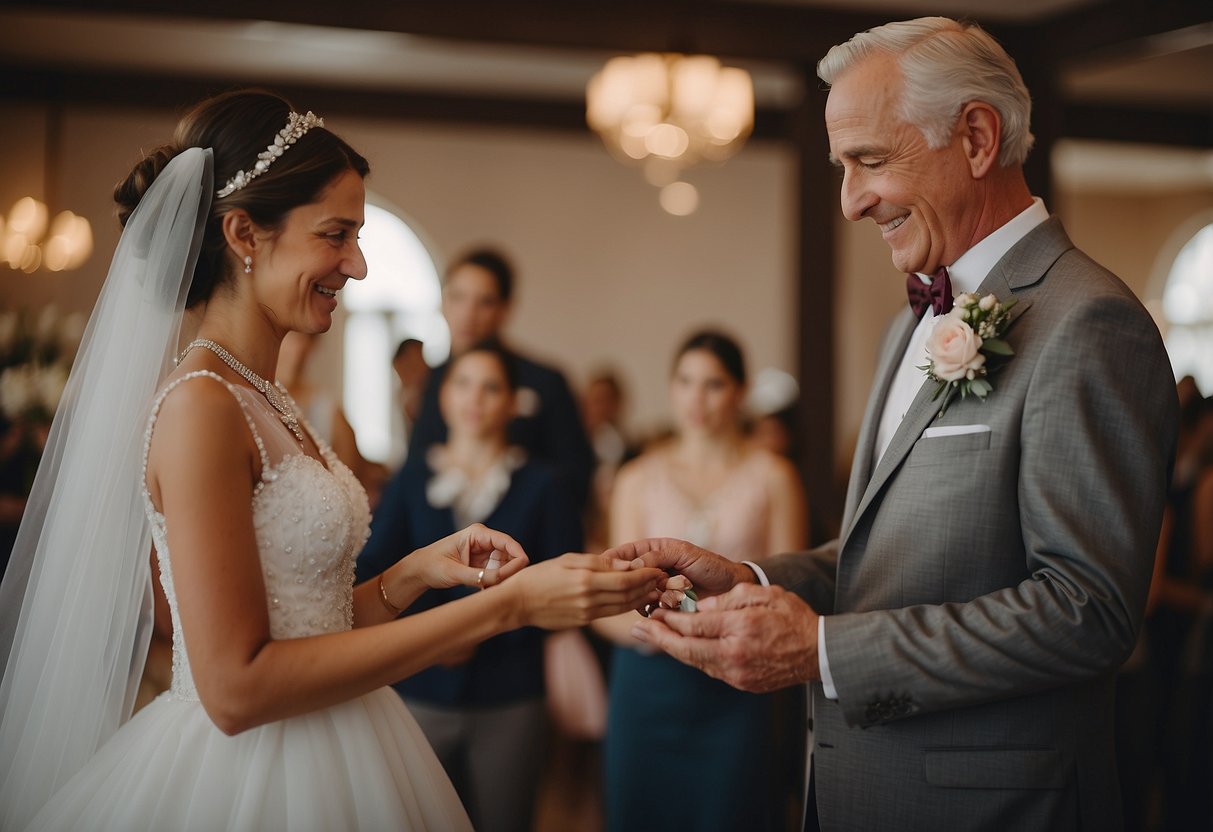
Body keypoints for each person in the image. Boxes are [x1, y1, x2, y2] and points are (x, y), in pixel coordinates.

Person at [0, 89, 664, 831]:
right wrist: (505, 607)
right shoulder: (201, 407)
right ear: (244, 234)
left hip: (345, 740)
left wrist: (415, 572)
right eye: (335, 234)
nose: (357, 264)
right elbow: (237, 687)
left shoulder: (267, 398)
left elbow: (306, 622)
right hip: (250, 779)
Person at [612, 17, 1178, 832]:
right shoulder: (907, 325)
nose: (849, 200)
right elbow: (887, 558)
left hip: (991, 805)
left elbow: (1086, 611)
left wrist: (825, 653)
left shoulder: (1087, 322)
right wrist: (753, 581)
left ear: (976, 138)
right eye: (844, 167)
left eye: (869, 161)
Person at [355, 340, 581, 832]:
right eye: (463, 384)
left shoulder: (544, 484)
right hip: (419, 685)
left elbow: (561, 590)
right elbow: (374, 569)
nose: (475, 398)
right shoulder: (412, 478)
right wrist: (433, 633)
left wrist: (481, 633)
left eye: (491, 387)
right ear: (443, 397)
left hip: (510, 692)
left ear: (511, 401)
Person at [596, 330, 807, 832]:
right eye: (686, 381)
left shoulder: (773, 476)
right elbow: (618, 595)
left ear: (739, 392)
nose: (697, 398)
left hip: (735, 679)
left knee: (732, 811)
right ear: (671, 387)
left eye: (713, 384)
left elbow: (787, 588)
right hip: (648, 682)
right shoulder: (636, 478)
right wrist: (665, 630)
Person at [407, 248, 595, 509]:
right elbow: (418, 463)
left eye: (484, 302)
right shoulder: (434, 379)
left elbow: (576, 477)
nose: (468, 315)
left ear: (505, 309)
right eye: (457, 297)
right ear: (443, 301)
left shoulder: (546, 381)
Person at [276, 329, 388, 500]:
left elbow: (350, 487)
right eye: (292, 338)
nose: (299, 347)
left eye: (306, 338)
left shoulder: (328, 410)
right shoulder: (255, 402)